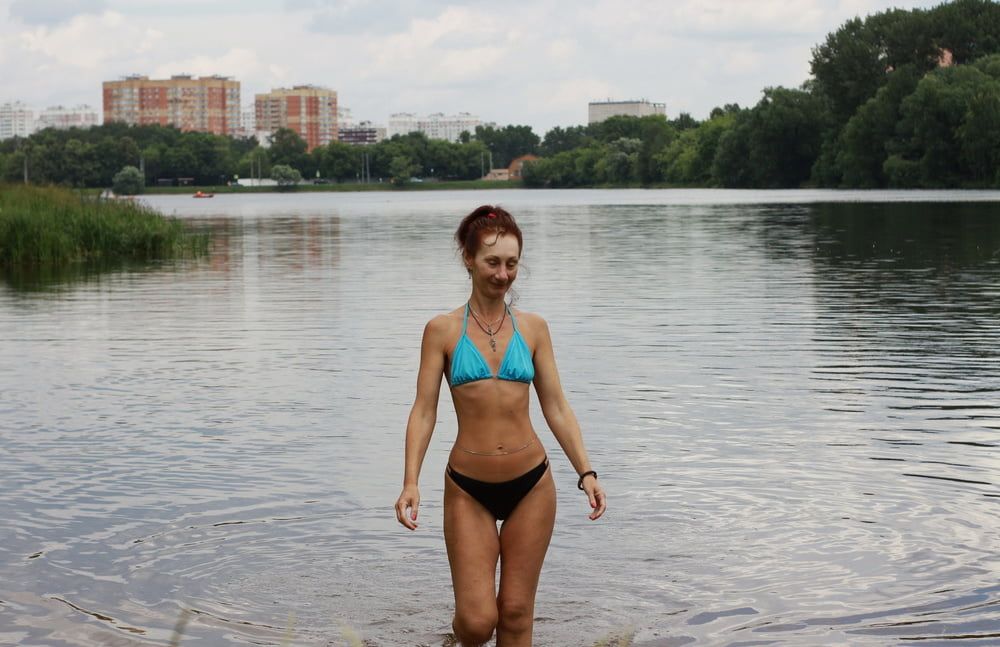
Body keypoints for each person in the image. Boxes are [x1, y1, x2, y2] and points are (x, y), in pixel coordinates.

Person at [395, 205, 607, 646]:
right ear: (468, 259)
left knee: (514, 612)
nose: (503, 274)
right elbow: (424, 410)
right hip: (468, 487)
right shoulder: (441, 330)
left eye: (512, 263)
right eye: (493, 262)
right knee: (476, 622)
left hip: (532, 483)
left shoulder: (533, 329)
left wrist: (585, 470)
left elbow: (557, 407)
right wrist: (410, 481)